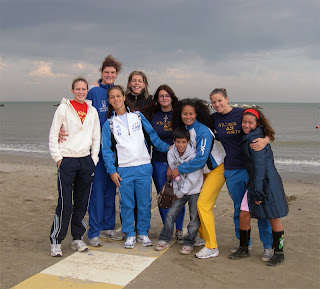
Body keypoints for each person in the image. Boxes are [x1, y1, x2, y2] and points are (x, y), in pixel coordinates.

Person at [101, 85, 170, 249]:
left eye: (118, 96)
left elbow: (153, 136)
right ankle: (130, 234)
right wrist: (112, 171)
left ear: (124, 97)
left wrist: (170, 149)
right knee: (127, 204)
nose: (116, 99)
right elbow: (106, 150)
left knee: (145, 203)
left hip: (144, 167)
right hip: (124, 169)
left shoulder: (138, 117)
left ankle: (143, 233)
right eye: (112, 97)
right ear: (109, 101)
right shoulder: (109, 124)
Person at [210, 88, 273, 261]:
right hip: (232, 169)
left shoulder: (241, 113)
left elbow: (264, 128)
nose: (216, 105)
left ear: (226, 99)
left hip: (251, 169)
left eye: (219, 101)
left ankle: (268, 246)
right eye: (213, 102)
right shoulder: (214, 118)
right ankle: (244, 242)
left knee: (260, 208)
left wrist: (266, 140)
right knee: (239, 209)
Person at [229, 108, 288, 266]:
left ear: (257, 123)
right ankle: (244, 248)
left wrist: (258, 191)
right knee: (244, 214)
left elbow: (260, 166)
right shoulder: (253, 136)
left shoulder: (255, 140)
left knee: (273, 216)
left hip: (266, 182)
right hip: (257, 181)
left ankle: (279, 252)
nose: (246, 125)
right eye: (244, 122)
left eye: (250, 122)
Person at [48, 77, 100, 257]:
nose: (81, 92)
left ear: (87, 91)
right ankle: (56, 241)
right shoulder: (64, 108)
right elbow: (53, 134)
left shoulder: (92, 110)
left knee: (81, 203)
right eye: (77, 89)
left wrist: (93, 159)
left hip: (85, 161)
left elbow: (96, 137)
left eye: (83, 89)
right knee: (65, 204)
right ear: (72, 90)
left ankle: (77, 238)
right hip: (67, 161)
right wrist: (58, 158)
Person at [171, 99, 225, 259]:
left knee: (203, 205)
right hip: (200, 173)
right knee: (195, 205)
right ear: (180, 115)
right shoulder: (184, 130)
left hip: (215, 171)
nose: (188, 116)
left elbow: (201, 160)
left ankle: (212, 246)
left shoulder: (203, 131)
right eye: (184, 113)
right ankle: (202, 237)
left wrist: (178, 169)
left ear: (197, 114)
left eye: (191, 113)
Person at [141, 84, 185, 242]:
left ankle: (179, 230)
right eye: (161, 96)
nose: (164, 98)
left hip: (179, 162)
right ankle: (168, 228)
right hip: (159, 161)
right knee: (164, 196)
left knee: (179, 195)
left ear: (172, 97)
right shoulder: (153, 115)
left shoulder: (179, 115)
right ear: (157, 99)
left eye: (167, 95)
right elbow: (151, 137)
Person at [155, 127, 202, 254]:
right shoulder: (171, 153)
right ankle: (165, 238)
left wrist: (181, 192)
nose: (180, 145)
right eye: (178, 142)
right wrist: (176, 191)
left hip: (193, 190)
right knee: (170, 215)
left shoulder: (193, 155)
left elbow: (193, 177)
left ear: (188, 142)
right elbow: (173, 172)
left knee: (193, 218)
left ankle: (189, 242)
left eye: (183, 142)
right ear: (174, 142)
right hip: (178, 189)